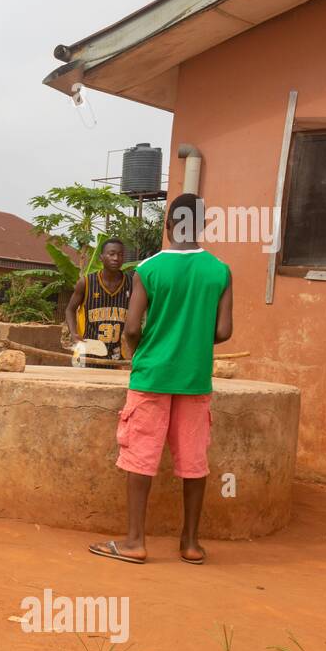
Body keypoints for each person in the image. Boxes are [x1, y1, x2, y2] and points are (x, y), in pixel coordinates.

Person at [89, 194, 233, 565]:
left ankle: (136, 541)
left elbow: (132, 327)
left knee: (140, 456)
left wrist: (138, 350)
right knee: (194, 460)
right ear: (202, 227)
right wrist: (194, 340)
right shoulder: (220, 271)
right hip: (195, 379)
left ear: (167, 226)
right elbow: (224, 331)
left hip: (151, 375)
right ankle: (190, 542)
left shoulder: (149, 270)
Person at [65, 238, 132, 364]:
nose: (116, 258)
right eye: (111, 254)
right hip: (87, 352)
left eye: (120, 255)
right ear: (101, 257)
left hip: (118, 355)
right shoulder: (86, 282)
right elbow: (70, 309)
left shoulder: (131, 283)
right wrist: (74, 334)